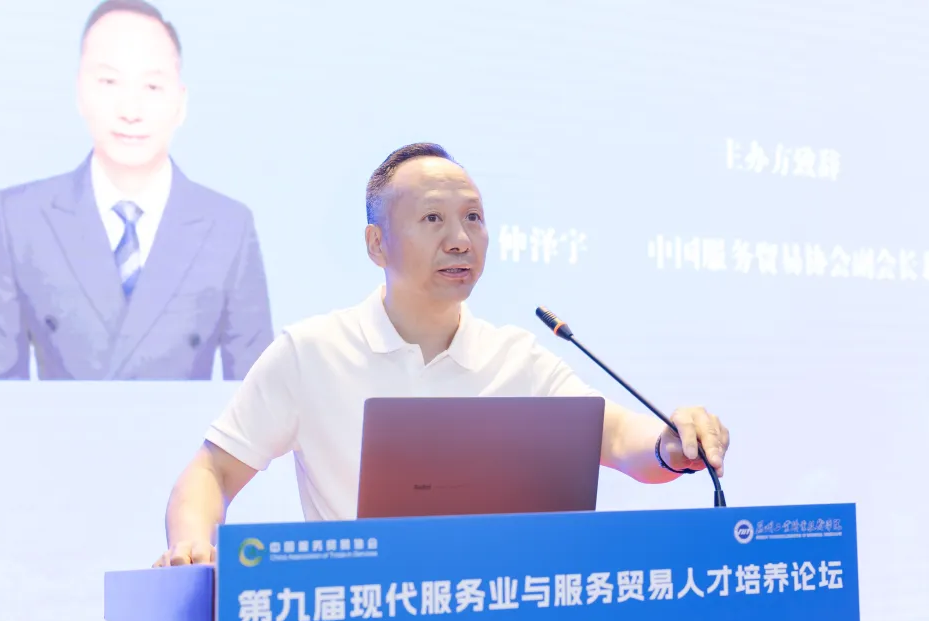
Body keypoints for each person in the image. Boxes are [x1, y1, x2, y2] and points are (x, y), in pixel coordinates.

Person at [154, 143, 730, 566]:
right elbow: (211, 471)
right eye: (433, 219)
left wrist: (670, 441)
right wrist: (192, 543)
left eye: (473, 218)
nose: (460, 239)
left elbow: (617, 439)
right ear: (376, 244)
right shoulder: (312, 352)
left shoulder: (516, 358)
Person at [0, 0, 273, 381]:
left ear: (181, 102)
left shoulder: (228, 228)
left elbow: (257, 397)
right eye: (109, 82)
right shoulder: (19, 219)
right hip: (60, 423)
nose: (131, 110)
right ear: (80, 91)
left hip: (185, 425)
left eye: (152, 85)